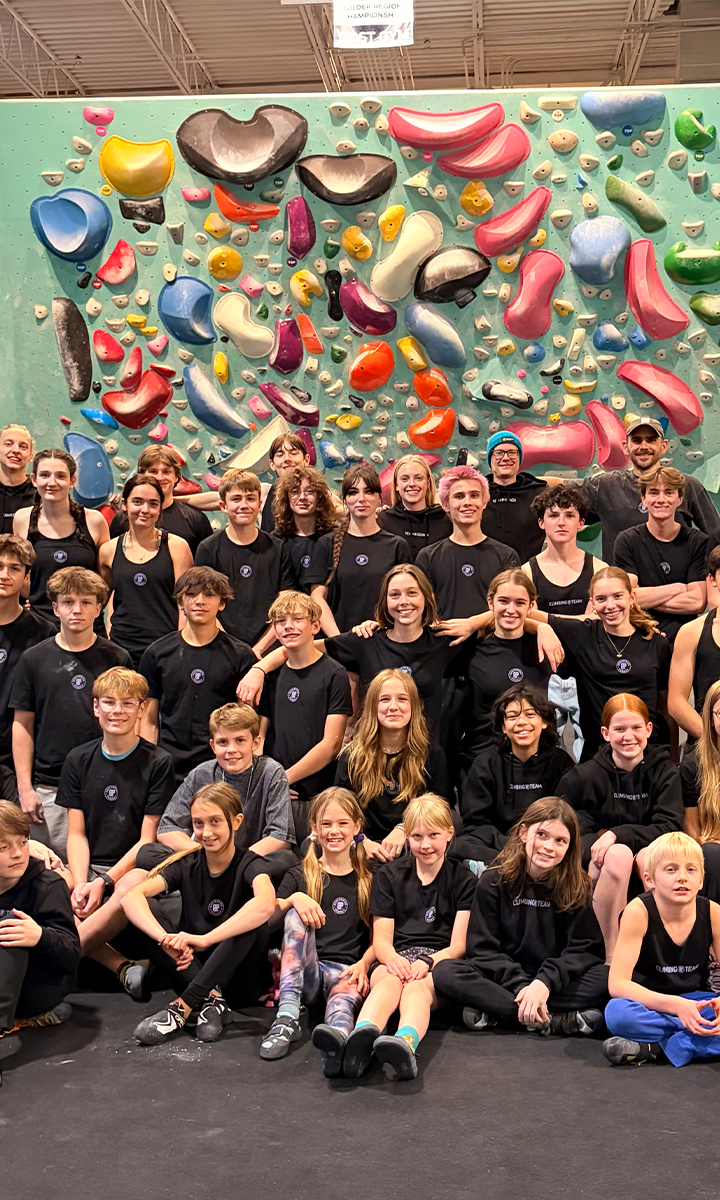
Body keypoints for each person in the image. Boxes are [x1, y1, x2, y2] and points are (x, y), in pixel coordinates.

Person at [434, 797, 609, 1035]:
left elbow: (584, 950)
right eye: (542, 835)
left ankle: (504, 1015)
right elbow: (482, 950)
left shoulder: (577, 886)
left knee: (607, 979)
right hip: (505, 979)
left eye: (560, 841)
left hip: (552, 982)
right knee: (446, 972)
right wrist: (523, 987)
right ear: (524, 833)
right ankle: (552, 1019)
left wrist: (543, 983)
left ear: (570, 847)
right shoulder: (493, 880)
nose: (549, 847)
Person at [122, 782, 275, 1044]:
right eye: (198, 823)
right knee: (147, 908)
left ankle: (182, 1008)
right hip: (190, 967)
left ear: (236, 821)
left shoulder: (251, 863)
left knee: (254, 921)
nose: (206, 832)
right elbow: (131, 897)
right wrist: (164, 939)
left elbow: (265, 903)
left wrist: (207, 938)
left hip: (238, 978)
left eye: (215, 822)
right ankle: (212, 1002)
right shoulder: (187, 863)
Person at [55, 668, 175, 1000]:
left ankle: (53, 961)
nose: (117, 710)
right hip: (88, 866)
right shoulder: (78, 759)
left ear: (141, 710)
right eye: (108, 702)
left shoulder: (158, 762)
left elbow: (146, 841)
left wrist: (103, 882)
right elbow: (76, 834)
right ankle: (122, 965)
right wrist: (81, 882)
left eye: (127, 703)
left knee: (129, 886)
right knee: (53, 882)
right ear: (96, 707)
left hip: (132, 867)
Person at [340, 794, 474, 1081]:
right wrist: (394, 961)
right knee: (389, 981)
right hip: (394, 957)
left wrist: (427, 961)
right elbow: (382, 941)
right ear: (407, 838)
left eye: (434, 835)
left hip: (436, 962)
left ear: (449, 834)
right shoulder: (389, 875)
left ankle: (404, 1043)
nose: (425, 845)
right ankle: (361, 1038)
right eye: (417, 836)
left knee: (415, 990)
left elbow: (459, 946)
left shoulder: (464, 880)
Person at [11, 568, 131, 858]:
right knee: (52, 869)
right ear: (55, 608)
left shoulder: (116, 657)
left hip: (105, 779)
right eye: (68, 602)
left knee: (100, 868)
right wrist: (26, 788)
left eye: (86, 602)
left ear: (99, 608)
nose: (77, 610)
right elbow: (23, 725)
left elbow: (127, 722)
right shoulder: (34, 659)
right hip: (49, 786)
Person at [260, 788, 375, 1074]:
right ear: (313, 829)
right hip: (305, 972)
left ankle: (337, 1046)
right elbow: (269, 918)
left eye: (342, 823)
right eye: (326, 824)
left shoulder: (372, 878)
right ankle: (287, 1015)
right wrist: (291, 899)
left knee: (341, 1009)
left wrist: (364, 963)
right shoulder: (299, 874)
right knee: (295, 915)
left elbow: (381, 937)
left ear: (357, 827)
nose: (334, 831)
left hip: (346, 972)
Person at [560, 695, 683, 960]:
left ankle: (666, 954)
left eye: (637, 728)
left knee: (650, 858)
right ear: (605, 733)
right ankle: (612, 956)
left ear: (649, 730)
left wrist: (617, 834)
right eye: (619, 729)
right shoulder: (584, 775)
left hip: (646, 853)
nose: (629, 736)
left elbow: (669, 826)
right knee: (618, 856)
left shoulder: (666, 772)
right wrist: (605, 841)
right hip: (596, 857)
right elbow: (568, 827)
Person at [603, 831, 720, 1067]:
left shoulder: (713, 912)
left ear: (701, 880)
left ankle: (658, 1049)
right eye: (671, 869)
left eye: (690, 870)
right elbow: (617, 984)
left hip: (697, 1001)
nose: (682, 878)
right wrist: (678, 1007)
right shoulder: (638, 912)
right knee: (617, 1014)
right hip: (651, 1002)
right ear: (649, 879)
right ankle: (693, 1037)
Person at [530, 567, 672, 759]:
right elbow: (516, 615)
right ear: (592, 604)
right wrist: (542, 628)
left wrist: (674, 757)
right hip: (599, 755)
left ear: (631, 598)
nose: (610, 605)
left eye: (617, 596)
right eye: (601, 599)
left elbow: (666, 707)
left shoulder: (655, 642)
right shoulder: (581, 635)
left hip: (649, 752)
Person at [148, 703, 295, 885]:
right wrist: (205, 854)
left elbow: (280, 836)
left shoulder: (271, 772)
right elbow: (167, 829)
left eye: (240, 741)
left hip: (249, 861)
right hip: (204, 857)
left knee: (285, 860)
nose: (231, 749)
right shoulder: (201, 773)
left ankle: (228, 876)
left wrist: (234, 861)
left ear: (255, 743)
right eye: (223, 742)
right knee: (148, 854)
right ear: (212, 745)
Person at [139, 567, 257, 781]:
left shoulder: (241, 655)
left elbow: (244, 719)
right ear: (180, 602)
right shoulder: (157, 653)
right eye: (191, 594)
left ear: (222, 603)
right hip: (169, 765)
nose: (200, 601)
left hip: (220, 767)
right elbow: (149, 719)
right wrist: (150, 763)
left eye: (209, 595)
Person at [524, 482, 607, 757]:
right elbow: (520, 617)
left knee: (592, 748)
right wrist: (577, 620)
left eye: (570, 515)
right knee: (547, 749)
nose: (562, 522)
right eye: (553, 515)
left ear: (581, 523)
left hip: (588, 672)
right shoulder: (527, 571)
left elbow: (599, 621)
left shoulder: (599, 569)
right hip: (543, 673)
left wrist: (545, 618)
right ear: (541, 522)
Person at [259, 592, 351, 841]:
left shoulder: (335, 674)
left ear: (315, 626)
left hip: (316, 797)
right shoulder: (271, 676)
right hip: (274, 794)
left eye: (297, 619)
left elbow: (331, 744)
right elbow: (259, 736)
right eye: (280, 621)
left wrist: (283, 777)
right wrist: (269, 780)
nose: (288, 626)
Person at [335, 669, 450, 860]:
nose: (393, 707)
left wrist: (405, 829)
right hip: (364, 844)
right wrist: (360, 840)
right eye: (385, 700)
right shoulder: (351, 756)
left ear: (414, 706)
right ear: (373, 707)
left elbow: (442, 809)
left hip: (414, 844)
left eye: (402, 699)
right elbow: (340, 809)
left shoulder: (431, 755)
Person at [454, 685, 572, 867]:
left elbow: (566, 816)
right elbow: (476, 822)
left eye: (530, 715)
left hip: (545, 844)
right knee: (461, 846)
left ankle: (513, 866)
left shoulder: (561, 762)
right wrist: (513, 847)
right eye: (512, 716)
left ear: (544, 722)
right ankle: (515, 865)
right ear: (503, 726)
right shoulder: (486, 763)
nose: (521, 722)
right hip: (499, 845)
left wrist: (536, 842)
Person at [0, 802, 80, 1070]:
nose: (17, 854)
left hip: (37, 985)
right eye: (3, 847)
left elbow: (71, 957)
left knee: (11, 925)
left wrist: (40, 936)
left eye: (23, 842)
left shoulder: (47, 885)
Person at [579, 417, 720, 565]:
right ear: (626, 447)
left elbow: (716, 537)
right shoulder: (605, 486)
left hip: (678, 584)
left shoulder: (687, 485)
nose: (644, 446)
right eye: (637, 440)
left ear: (664, 446)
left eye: (651, 440)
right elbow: (561, 493)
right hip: (623, 584)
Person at [98, 474, 193, 668]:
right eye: (138, 502)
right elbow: (98, 601)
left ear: (160, 508)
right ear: (124, 504)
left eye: (153, 504)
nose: (145, 510)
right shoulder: (107, 551)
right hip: (121, 649)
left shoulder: (177, 547)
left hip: (164, 649)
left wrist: (179, 647)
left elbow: (186, 605)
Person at [306, 463, 411, 636]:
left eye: (369, 491)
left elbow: (404, 599)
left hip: (384, 638)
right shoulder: (327, 543)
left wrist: (381, 626)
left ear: (379, 497)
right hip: (338, 641)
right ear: (345, 499)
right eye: (353, 492)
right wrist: (338, 640)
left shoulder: (397, 545)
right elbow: (317, 598)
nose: (361, 498)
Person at [196, 469, 293, 655]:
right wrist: (234, 650)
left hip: (268, 649)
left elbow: (285, 604)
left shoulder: (279, 548)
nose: (244, 505)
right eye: (236, 499)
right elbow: (204, 604)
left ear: (260, 504)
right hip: (220, 648)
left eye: (250, 498)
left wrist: (258, 649)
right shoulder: (208, 549)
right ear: (223, 506)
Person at [13, 448, 109, 631]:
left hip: (86, 628)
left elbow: (106, 581)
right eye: (45, 475)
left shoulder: (94, 521)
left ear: (72, 481)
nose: (52, 482)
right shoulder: (22, 519)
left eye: (60, 476)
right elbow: (23, 577)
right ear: (33, 480)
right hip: (38, 628)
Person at [463, 570, 554, 759]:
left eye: (520, 603)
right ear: (490, 603)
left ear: (531, 606)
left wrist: (543, 626)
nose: (511, 610)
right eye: (503, 601)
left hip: (534, 758)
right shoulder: (471, 650)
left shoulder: (545, 645)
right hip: (482, 758)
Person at [613, 465, 708, 643]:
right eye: (654, 493)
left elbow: (697, 602)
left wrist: (645, 597)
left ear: (680, 499)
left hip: (686, 640)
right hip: (639, 638)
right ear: (644, 499)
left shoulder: (698, 542)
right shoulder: (627, 541)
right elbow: (628, 598)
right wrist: (677, 588)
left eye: (669, 492)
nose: (661, 499)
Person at [415, 466, 520, 622]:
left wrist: (473, 625)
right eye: (459, 496)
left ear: (484, 502)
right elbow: (421, 608)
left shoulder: (506, 556)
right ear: (445, 504)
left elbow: (513, 607)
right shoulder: (428, 557)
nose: (467, 502)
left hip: (493, 643)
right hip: (443, 642)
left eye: (474, 495)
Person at [0, 535, 55, 769]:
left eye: (14, 568)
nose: (4, 575)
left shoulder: (43, 632)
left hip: (17, 758)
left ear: (26, 576)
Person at [109, 445, 212, 557]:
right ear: (142, 475)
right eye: (153, 471)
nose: (159, 477)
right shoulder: (123, 518)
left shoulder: (196, 520)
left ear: (176, 477)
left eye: (166, 472)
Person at [667, 545, 720, 740]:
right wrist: (712, 742)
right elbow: (676, 702)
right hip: (705, 744)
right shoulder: (691, 632)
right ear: (712, 580)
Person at [679, 682, 720, 902]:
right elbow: (692, 831)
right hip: (711, 847)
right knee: (711, 856)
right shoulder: (692, 765)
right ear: (711, 719)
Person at [481, 430, 549, 559]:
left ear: (519, 458)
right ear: (490, 460)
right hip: (484, 572)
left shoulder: (540, 493)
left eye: (512, 452)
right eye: (499, 453)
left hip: (527, 573)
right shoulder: (477, 493)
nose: (506, 458)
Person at [271, 465, 338, 593]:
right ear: (286, 497)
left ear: (319, 497)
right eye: (295, 491)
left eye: (309, 491)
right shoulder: (275, 541)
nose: (302, 497)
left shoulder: (336, 537)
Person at [378, 455, 452, 559]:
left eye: (418, 478)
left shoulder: (446, 520)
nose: (412, 484)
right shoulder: (382, 521)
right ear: (396, 485)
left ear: (428, 483)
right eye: (405, 479)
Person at [261, 432, 312, 533]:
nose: (287, 459)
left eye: (293, 453)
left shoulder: (320, 494)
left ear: (306, 460)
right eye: (280, 455)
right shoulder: (263, 493)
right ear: (272, 464)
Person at [0, 424, 35, 534]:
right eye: (8, 444)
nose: (16, 450)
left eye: (23, 447)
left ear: (30, 456)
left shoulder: (40, 493)